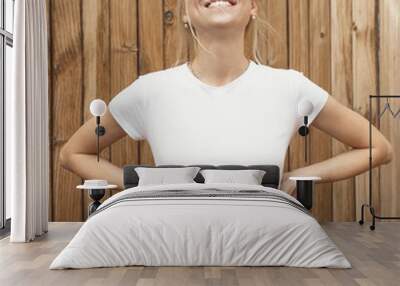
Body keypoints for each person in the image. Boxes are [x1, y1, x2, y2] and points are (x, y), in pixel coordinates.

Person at [60, 0, 393, 196]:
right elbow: (73, 152)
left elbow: (377, 147)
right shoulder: (149, 90)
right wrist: (140, 185)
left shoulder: (291, 87)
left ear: (252, 8)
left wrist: (296, 178)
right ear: (185, 13)